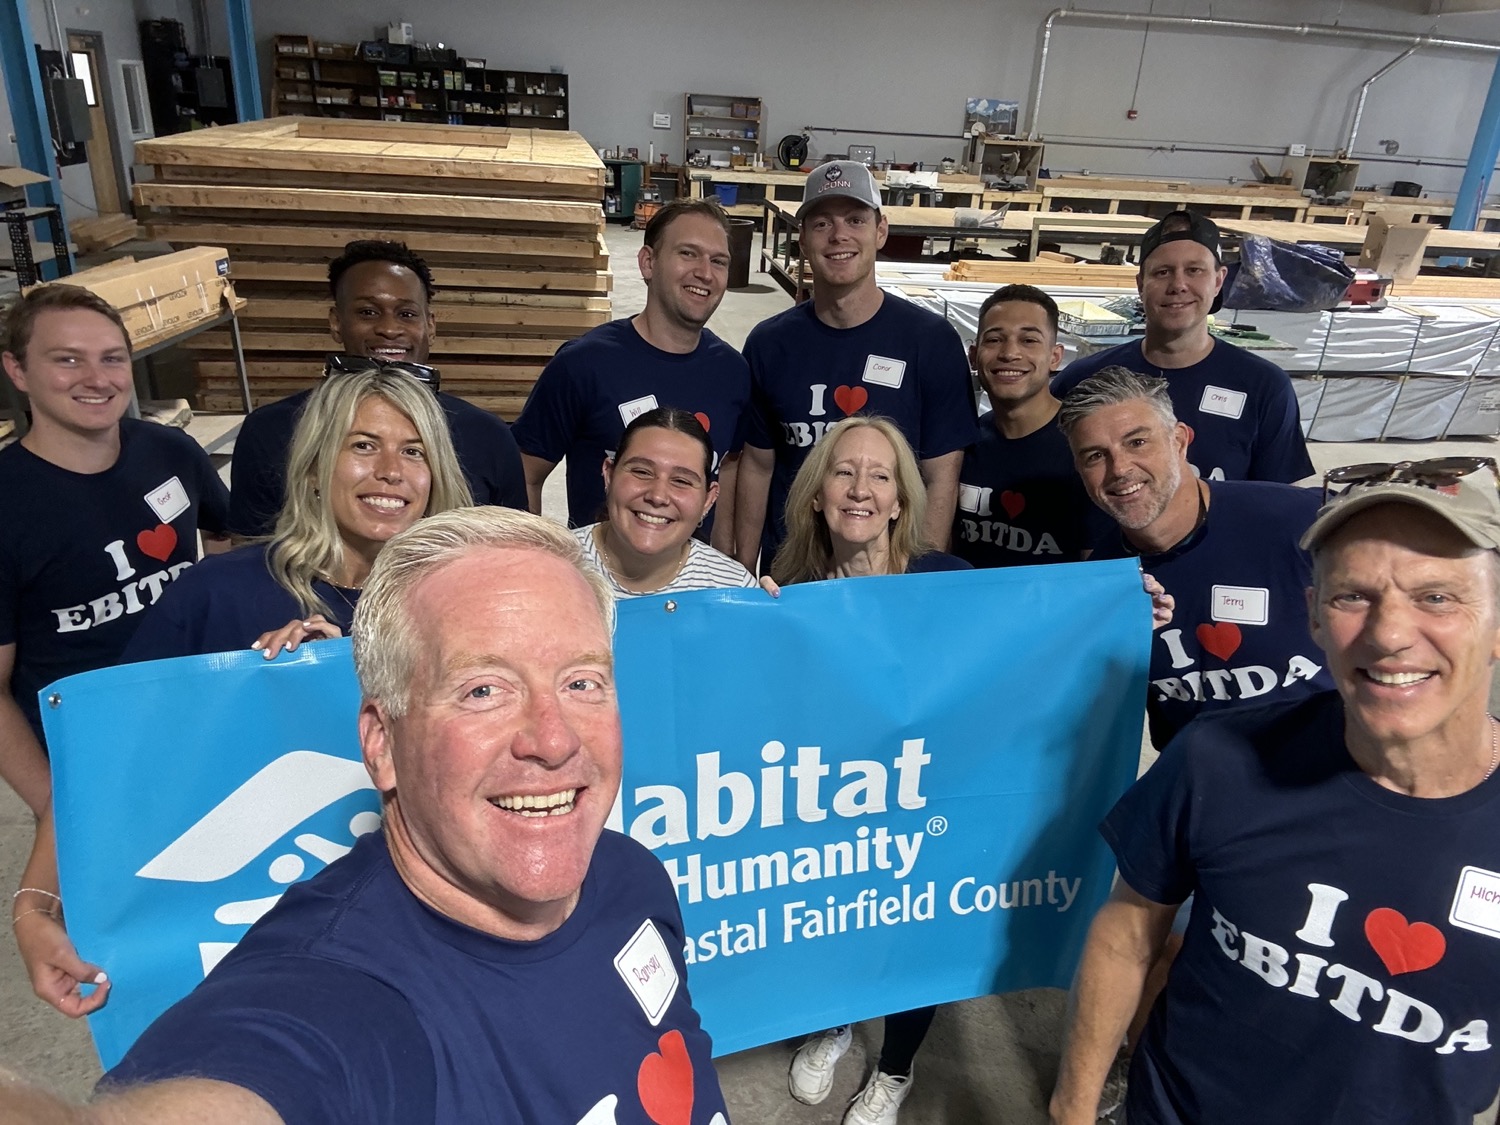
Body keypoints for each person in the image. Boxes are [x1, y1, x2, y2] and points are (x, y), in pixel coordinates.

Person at [2, 507, 729, 1124]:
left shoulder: (631, 876)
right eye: (483, 690)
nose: (554, 738)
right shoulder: (341, 996)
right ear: (382, 745)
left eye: (582, 681)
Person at [1051, 457, 1500, 1125]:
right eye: (1353, 596)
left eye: (1436, 596)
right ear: (1313, 615)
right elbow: (1127, 931)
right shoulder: (1217, 758)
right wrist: (1071, 1108)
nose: (1389, 633)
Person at [766, 415, 968, 1125]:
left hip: (925, 794)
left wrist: (1125, 607)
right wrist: (753, 628)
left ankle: (895, 1068)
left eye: (879, 475)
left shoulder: (949, 583)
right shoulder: (788, 589)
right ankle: (835, 1021)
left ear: (900, 499)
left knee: (917, 933)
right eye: (844, 472)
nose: (860, 488)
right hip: (834, 799)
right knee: (835, 918)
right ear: (817, 494)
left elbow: (1032, 645)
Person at [0, 284, 230, 817]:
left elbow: (227, 538)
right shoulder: (10, 502)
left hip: (198, 718)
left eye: (112, 358)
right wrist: (56, 807)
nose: (97, 379)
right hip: (90, 752)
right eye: (67, 360)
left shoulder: (170, 452)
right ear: (17, 370)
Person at [1058, 366, 1332, 748]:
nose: (1119, 469)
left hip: (1329, 770)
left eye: (1137, 442)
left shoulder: (1299, 521)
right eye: (1095, 456)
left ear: (1180, 441)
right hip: (1198, 779)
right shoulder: (1106, 581)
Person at [125, 367, 471, 662]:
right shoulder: (214, 594)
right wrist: (266, 681)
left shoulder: (464, 601)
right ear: (313, 469)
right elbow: (130, 712)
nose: (391, 471)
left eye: (413, 452)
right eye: (364, 446)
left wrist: (339, 673)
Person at [734, 161, 978, 573]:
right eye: (822, 224)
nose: (839, 235)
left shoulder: (930, 342)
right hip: (796, 576)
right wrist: (745, 571)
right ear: (802, 239)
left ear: (880, 231)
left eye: (855, 220)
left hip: (890, 577)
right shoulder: (769, 344)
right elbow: (757, 466)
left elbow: (941, 477)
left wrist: (919, 581)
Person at [227, 239, 525, 537]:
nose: (389, 329)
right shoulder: (269, 431)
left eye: (406, 314)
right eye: (368, 312)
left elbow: (516, 549)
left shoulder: (488, 436)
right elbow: (251, 549)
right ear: (336, 322)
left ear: (430, 326)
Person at [512, 198, 750, 548]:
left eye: (718, 261)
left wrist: (726, 561)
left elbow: (726, 470)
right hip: (600, 572)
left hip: (692, 575)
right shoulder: (584, 364)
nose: (705, 272)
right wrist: (534, 562)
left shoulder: (733, 373)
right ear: (648, 262)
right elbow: (525, 475)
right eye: (688, 254)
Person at [1053, 209, 1313, 485]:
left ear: (1218, 280)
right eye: (1163, 272)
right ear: (1141, 285)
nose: (1178, 285)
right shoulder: (1083, 380)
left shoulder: (1264, 387)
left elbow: (1278, 498)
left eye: (1194, 270)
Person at [952, 284, 1097, 568]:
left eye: (1029, 340)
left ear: (1055, 356)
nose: (1010, 353)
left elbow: (1097, 572)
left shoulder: (1086, 444)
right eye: (995, 339)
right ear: (973, 355)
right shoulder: (963, 443)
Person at [574, 406, 756, 597]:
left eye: (681, 481)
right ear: (609, 475)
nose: (658, 496)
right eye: (642, 472)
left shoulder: (735, 590)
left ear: (708, 500)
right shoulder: (557, 562)